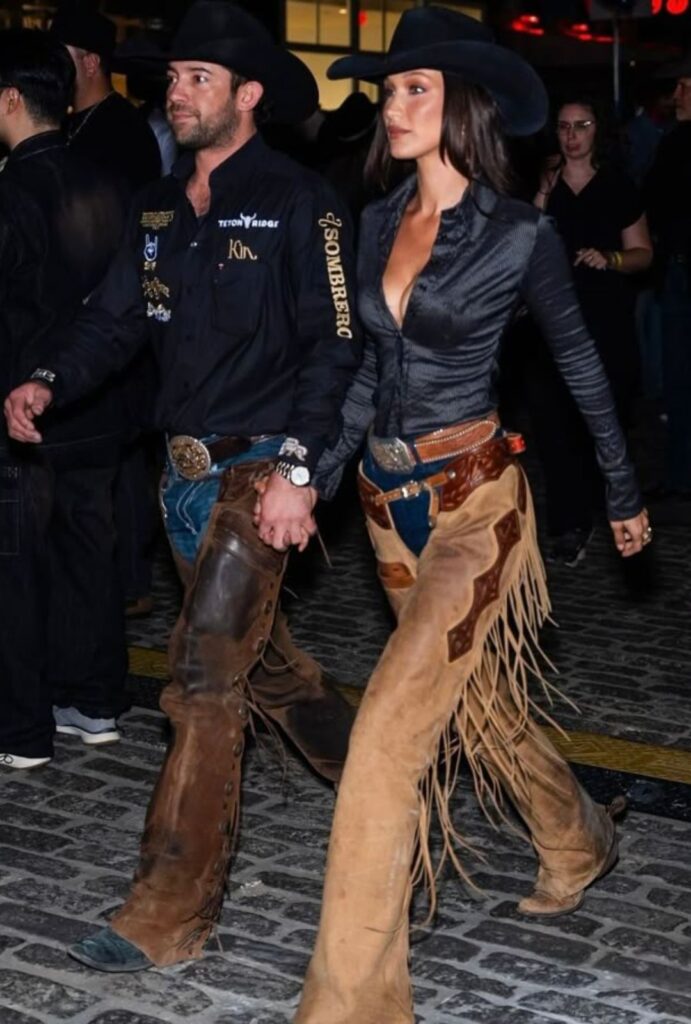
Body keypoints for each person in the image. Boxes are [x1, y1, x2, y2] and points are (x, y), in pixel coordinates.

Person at [288, 9, 650, 1023]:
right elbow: (366, 374)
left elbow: (578, 365)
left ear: (465, 108)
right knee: (479, 706)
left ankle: (352, 1003)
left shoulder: (519, 234)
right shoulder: (373, 222)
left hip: (475, 507)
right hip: (384, 508)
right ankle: (576, 836)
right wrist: (313, 477)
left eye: (416, 89)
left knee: (385, 742)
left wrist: (621, 491)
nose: (393, 106)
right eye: (388, 90)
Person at [5, 1, 360, 972]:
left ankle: (168, 907)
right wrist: (47, 378)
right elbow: (114, 318)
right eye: (172, 77)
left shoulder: (302, 202)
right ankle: (405, 787)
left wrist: (298, 471)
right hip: (184, 481)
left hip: (260, 471)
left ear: (248, 96)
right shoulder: (157, 206)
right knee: (267, 674)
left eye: (198, 77)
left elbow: (335, 346)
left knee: (201, 683)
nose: (176, 91)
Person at [0, 29, 130, 770]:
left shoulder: (10, 191)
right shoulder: (110, 183)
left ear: (10, 99)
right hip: (96, 401)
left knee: (16, 569)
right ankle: (96, 702)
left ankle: (21, 730)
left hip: (21, 409)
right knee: (90, 555)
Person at [50, 7, 164, 616]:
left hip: (116, 313)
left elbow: (129, 232)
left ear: (91, 62)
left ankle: (129, 584)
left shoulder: (121, 132)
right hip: (87, 321)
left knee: (118, 456)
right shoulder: (71, 125)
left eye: (63, 58)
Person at [529, 96, 652, 565]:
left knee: (601, 421)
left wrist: (612, 258)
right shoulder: (546, 182)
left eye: (582, 125)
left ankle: (613, 506)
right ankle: (569, 525)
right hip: (550, 322)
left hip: (604, 319)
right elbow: (523, 242)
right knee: (553, 425)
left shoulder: (618, 186)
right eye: (564, 126)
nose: (572, 135)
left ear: (599, 130)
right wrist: (543, 192)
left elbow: (643, 252)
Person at [49, 6, 161, 189]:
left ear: (90, 64)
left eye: (60, 57)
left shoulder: (126, 132)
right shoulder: (65, 121)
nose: (51, 66)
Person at [645, 54, 691, 497]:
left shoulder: (676, 144)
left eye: (684, 86)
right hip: (676, 270)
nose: (676, 96)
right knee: (677, 378)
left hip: (679, 270)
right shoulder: (673, 142)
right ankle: (680, 473)